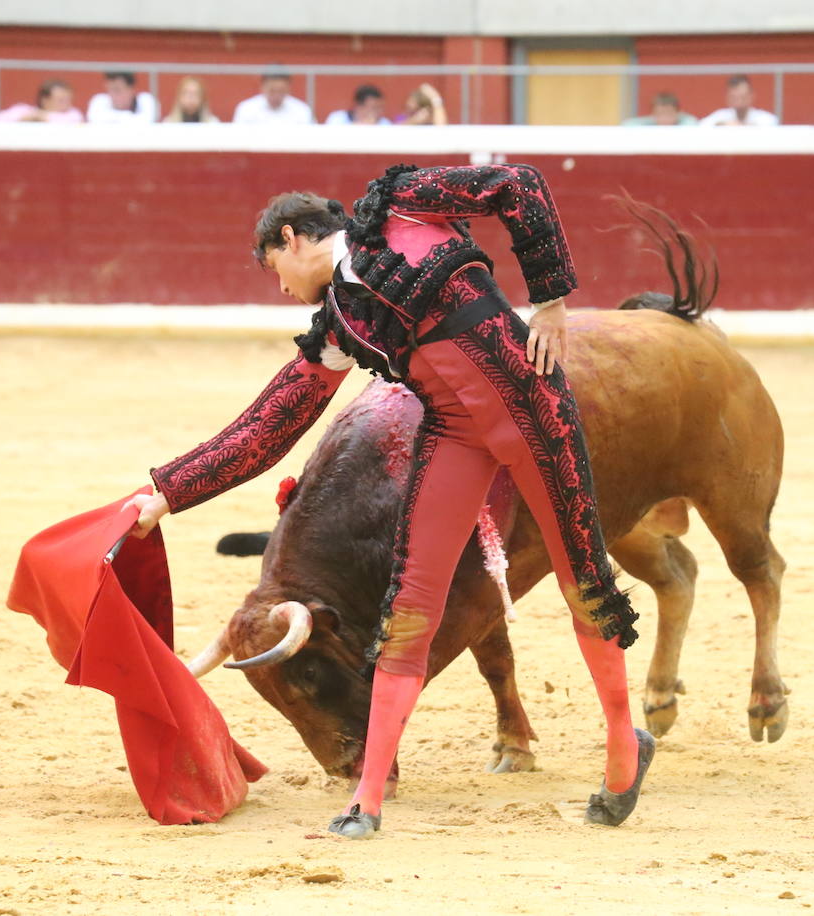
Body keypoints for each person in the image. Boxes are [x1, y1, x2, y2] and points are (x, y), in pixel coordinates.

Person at [124, 163, 653, 839]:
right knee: (410, 608)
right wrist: (167, 493)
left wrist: (550, 298)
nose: (282, 289)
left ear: (291, 237)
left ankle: (621, 749)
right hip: (454, 435)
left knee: (586, 581)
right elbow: (267, 427)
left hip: (533, 414)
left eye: (273, 269)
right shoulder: (341, 323)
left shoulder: (404, 206)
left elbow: (517, 185)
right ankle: (366, 799)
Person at [232, 70, 314, 125]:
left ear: (289, 88)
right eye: (272, 90)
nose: (276, 95)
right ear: (262, 87)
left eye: (281, 91)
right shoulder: (246, 109)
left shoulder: (302, 111)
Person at [699, 74, 779, 127]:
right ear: (728, 98)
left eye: (742, 97)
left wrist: (743, 126)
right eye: (734, 97)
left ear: (751, 96)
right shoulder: (721, 116)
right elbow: (701, 125)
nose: (739, 101)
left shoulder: (764, 117)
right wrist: (721, 124)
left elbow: (772, 123)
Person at [0, 79, 84, 124]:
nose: (66, 103)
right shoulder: (24, 110)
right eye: (61, 100)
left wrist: (45, 118)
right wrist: (26, 118)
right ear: (45, 100)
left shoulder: (73, 114)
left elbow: (73, 123)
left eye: (68, 99)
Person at [87, 72, 159, 124]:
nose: (112, 94)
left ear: (132, 89)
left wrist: (113, 120)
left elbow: (148, 121)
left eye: (117, 90)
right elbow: (94, 119)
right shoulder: (99, 100)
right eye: (109, 89)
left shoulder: (146, 100)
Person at [324, 84, 390, 125]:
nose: (379, 111)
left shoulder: (384, 123)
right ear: (359, 106)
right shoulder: (337, 118)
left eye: (381, 107)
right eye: (374, 108)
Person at [622, 91, 698, 126]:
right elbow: (628, 124)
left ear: (678, 113)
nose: (664, 118)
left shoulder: (687, 122)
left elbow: (691, 122)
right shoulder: (649, 123)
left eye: (669, 114)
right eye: (660, 114)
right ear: (653, 115)